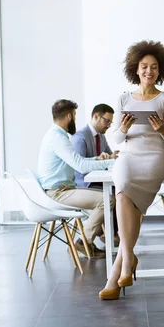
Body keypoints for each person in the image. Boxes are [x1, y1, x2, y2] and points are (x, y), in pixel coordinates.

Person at [99, 40, 164, 300]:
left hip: (155, 157)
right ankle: (126, 261)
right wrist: (122, 127)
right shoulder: (123, 98)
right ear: (136, 69)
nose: (149, 71)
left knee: (129, 204)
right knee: (121, 191)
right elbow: (116, 141)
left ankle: (121, 269)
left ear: (160, 70)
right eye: (144, 66)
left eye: (154, 67)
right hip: (129, 156)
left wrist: (161, 129)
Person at [37, 99, 115, 259]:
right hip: (58, 193)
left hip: (62, 189)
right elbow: (80, 165)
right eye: (74, 115)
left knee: (108, 196)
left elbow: (79, 161)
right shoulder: (58, 139)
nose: (75, 119)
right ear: (68, 116)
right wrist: (113, 162)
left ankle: (86, 241)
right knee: (107, 199)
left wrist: (99, 160)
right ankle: (83, 242)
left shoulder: (57, 135)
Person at [72, 103, 120, 246]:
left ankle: (109, 232)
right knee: (113, 194)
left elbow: (108, 156)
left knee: (120, 190)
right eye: (107, 121)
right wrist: (103, 159)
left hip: (97, 180)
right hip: (83, 183)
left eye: (111, 122)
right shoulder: (80, 137)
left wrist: (112, 156)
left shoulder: (101, 136)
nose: (109, 125)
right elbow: (80, 166)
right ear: (96, 116)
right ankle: (109, 232)